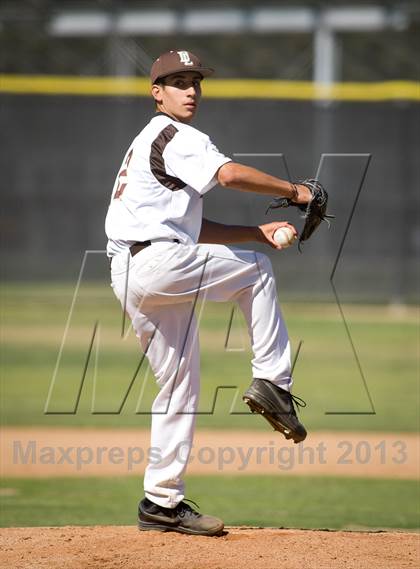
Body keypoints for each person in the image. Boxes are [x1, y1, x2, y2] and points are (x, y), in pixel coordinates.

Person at [105, 50, 311, 537]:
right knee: (257, 273)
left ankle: (161, 502)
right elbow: (230, 175)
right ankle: (273, 381)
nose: (191, 90)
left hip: (133, 269)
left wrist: (254, 233)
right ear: (157, 93)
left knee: (180, 385)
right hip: (155, 262)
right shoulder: (175, 134)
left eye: (195, 82)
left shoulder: (150, 141)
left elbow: (189, 229)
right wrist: (294, 190)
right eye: (178, 82)